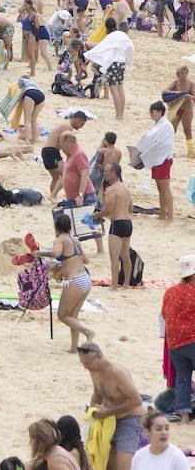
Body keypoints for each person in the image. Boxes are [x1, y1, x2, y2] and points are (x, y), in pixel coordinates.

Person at [78, 342, 144, 470]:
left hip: (129, 420)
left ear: (99, 356)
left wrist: (108, 412)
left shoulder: (116, 372)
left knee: (123, 466)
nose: (85, 367)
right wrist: (92, 415)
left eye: (87, 363)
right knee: (106, 464)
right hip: (108, 420)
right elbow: (97, 392)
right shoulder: (94, 370)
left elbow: (137, 400)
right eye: (83, 364)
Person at [47, 214, 94, 353]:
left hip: (74, 281)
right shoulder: (75, 240)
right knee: (73, 316)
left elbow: (56, 254)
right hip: (85, 278)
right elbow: (86, 260)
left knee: (62, 315)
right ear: (70, 226)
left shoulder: (59, 240)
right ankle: (74, 348)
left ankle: (88, 332)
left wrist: (40, 253)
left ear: (56, 227)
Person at [160, 254, 195, 424]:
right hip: (192, 340)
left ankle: (184, 417)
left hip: (175, 343)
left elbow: (164, 315)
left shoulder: (170, 291)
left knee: (182, 379)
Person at [137, 100, 176, 222]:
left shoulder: (166, 125)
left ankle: (170, 216)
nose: (151, 114)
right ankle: (163, 214)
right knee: (160, 189)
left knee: (165, 188)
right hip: (156, 158)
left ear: (160, 112)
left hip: (163, 159)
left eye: (152, 111)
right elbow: (152, 140)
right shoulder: (158, 124)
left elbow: (164, 144)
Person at [98, 159, 133, 289]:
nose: (104, 174)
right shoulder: (125, 188)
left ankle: (114, 286)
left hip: (117, 223)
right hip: (128, 223)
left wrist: (96, 216)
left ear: (114, 173)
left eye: (107, 172)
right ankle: (126, 284)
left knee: (114, 257)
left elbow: (108, 209)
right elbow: (131, 208)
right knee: (125, 255)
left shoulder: (111, 190)